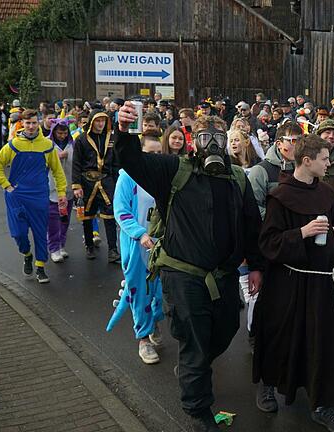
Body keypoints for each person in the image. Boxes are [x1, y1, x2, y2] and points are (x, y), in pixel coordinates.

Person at [115, 104, 264, 431]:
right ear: (192, 141)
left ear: (226, 141)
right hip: (183, 277)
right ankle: (198, 411)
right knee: (195, 344)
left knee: (226, 330)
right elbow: (131, 161)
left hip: (223, 277)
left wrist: (255, 265)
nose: (211, 143)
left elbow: (252, 224)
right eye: (204, 137)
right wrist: (124, 131)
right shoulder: (173, 170)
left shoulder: (237, 178)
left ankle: (191, 370)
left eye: (218, 137)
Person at [252, 134, 334, 432]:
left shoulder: (326, 192)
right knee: (280, 336)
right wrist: (303, 233)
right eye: (324, 158)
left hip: (318, 282)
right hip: (287, 281)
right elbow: (267, 242)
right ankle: (268, 385)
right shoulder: (280, 196)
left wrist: (333, 232)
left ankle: (321, 404)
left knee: (321, 342)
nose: (329, 163)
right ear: (307, 161)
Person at [0, 109, 67, 283]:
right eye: (28, 123)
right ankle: (27, 254)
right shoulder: (13, 145)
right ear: (22, 124)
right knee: (18, 233)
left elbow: (58, 172)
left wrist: (61, 192)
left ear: (38, 122)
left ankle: (40, 266)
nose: (31, 126)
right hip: (16, 195)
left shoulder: (47, 146)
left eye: (34, 123)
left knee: (40, 232)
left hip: (39, 195)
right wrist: (6, 185)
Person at [107, 135, 165, 365]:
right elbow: (120, 211)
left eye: (159, 153)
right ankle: (143, 338)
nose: (156, 158)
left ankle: (154, 321)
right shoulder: (127, 178)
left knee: (159, 292)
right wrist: (140, 233)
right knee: (139, 292)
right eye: (151, 153)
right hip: (137, 246)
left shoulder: (163, 176)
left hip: (161, 246)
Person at [71, 109, 120, 262]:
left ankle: (113, 249)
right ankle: (89, 245)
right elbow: (76, 163)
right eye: (97, 121)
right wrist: (76, 185)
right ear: (92, 122)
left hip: (107, 181)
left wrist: (117, 182)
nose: (100, 124)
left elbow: (116, 162)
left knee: (110, 215)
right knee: (87, 215)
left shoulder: (112, 138)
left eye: (103, 121)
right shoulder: (81, 139)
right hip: (87, 182)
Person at [248, 123, 302, 218]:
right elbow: (254, 206)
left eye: (300, 141)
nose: (298, 146)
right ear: (279, 144)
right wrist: (277, 221)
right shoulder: (260, 171)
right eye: (293, 141)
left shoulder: (303, 169)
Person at [47, 119, 74, 262]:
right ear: (54, 132)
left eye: (65, 133)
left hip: (69, 187)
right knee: (53, 220)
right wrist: (55, 157)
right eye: (59, 133)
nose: (62, 136)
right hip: (52, 189)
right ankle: (54, 248)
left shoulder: (73, 144)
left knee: (65, 219)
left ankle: (61, 245)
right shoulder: (47, 144)